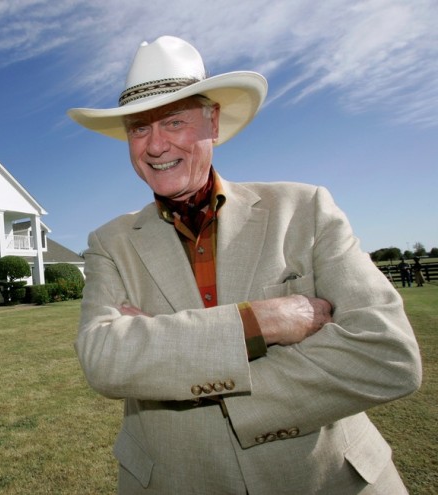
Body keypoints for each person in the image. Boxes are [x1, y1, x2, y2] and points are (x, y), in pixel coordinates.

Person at [68, 36, 422, 494]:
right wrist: (262, 322)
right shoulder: (110, 243)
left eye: (174, 121)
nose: (155, 145)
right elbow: (104, 360)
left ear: (212, 122)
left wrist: (170, 354)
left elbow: (387, 354)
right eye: (138, 129)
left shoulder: (305, 209)